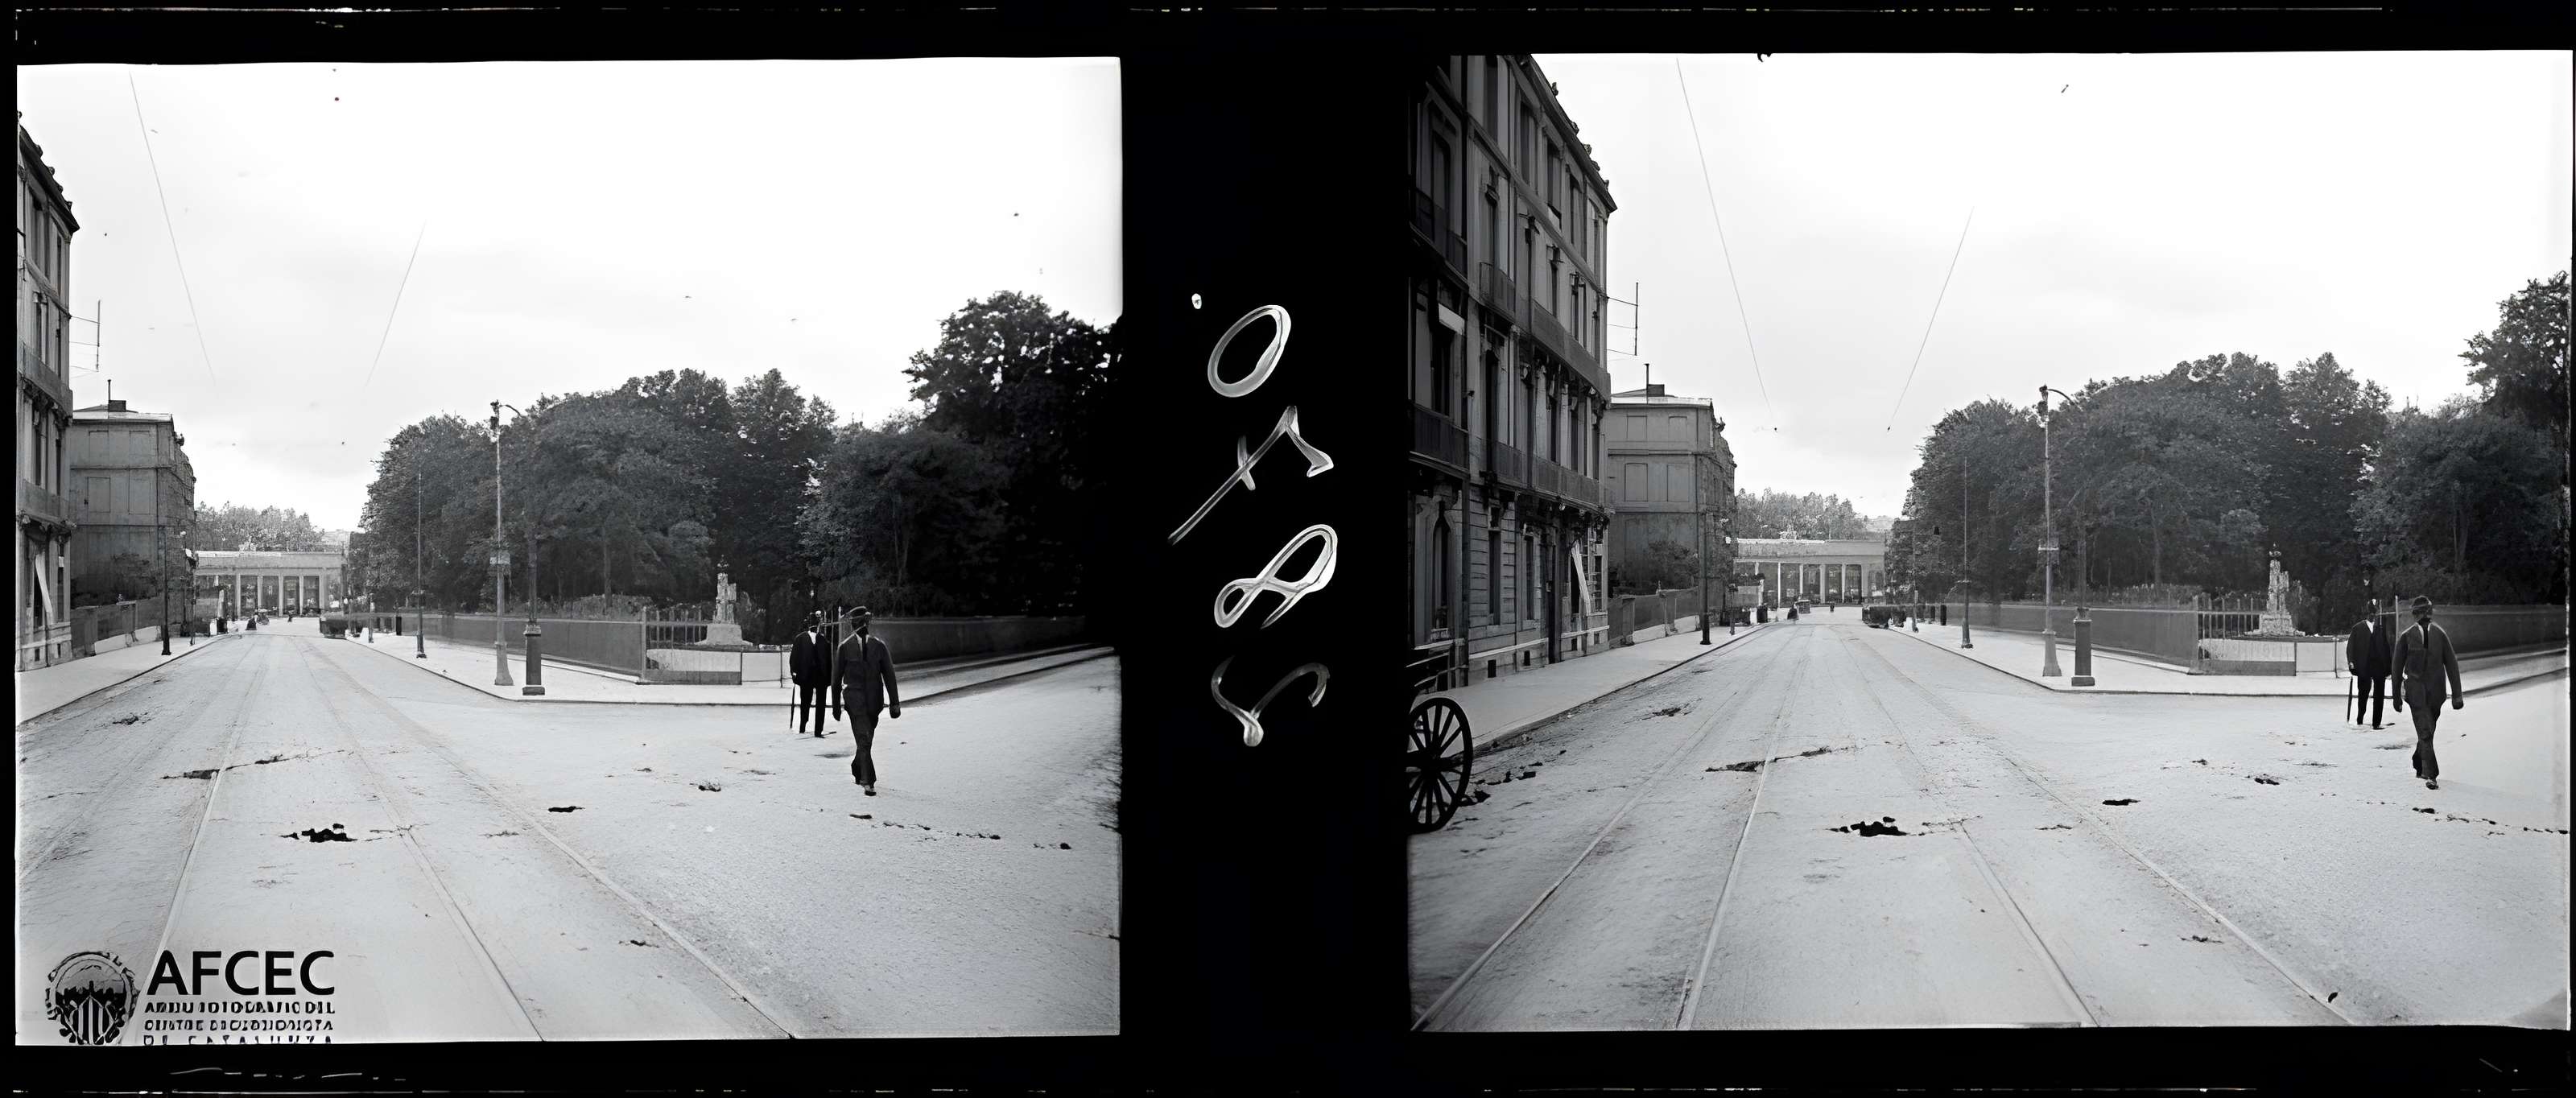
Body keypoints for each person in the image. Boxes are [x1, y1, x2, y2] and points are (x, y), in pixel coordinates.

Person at [2390, 596, 2463, 790]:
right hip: (2415, 693)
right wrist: (2396, 697)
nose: (2424, 617)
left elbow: (2452, 664)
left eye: (2425, 613)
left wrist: (2457, 695)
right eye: (2421, 613)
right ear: (2416, 615)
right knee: (2425, 731)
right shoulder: (2406, 637)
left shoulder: (2440, 635)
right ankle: (2431, 775)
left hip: (2437, 695)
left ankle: (2418, 760)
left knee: (2427, 732)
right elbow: (2396, 669)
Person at [832, 605, 903, 795]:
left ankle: (857, 767)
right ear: (855, 624)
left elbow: (889, 676)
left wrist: (894, 703)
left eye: (863, 621)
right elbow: (836, 680)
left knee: (866, 740)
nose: (861, 625)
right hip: (854, 702)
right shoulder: (844, 647)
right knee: (864, 739)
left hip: (874, 702)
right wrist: (836, 707)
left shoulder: (879, 646)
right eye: (858, 622)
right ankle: (868, 780)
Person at [2345, 599, 2392, 729]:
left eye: (2375, 612)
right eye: (2371, 612)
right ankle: (2360, 718)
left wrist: (2389, 666)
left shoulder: (2381, 629)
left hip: (2379, 666)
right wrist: (2351, 662)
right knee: (2363, 693)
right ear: (2367, 613)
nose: (2373, 615)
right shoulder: (2358, 628)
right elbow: (2351, 647)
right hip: (2364, 665)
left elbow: (2387, 648)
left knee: (2379, 694)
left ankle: (2376, 723)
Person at [788, 612, 833, 737]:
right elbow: (794, 658)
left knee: (820, 703)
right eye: (813, 623)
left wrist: (829, 677)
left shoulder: (823, 640)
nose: (814, 626)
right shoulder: (801, 639)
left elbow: (828, 661)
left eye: (815, 623)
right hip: (806, 675)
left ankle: (818, 729)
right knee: (805, 702)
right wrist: (794, 672)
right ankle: (803, 725)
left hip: (820, 676)